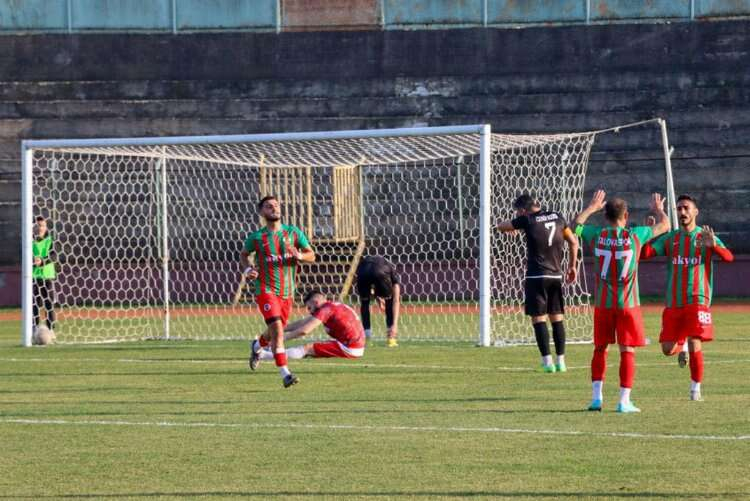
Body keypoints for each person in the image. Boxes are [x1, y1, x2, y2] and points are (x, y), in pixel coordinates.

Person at [574, 190, 669, 413]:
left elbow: (575, 225)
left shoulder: (596, 235)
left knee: (600, 349)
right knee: (627, 350)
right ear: (625, 216)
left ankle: (596, 399)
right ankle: (624, 401)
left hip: (603, 305)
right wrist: (659, 210)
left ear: (604, 215)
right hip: (628, 304)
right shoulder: (636, 234)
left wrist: (591, 207)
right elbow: (665, 225)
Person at [640, 194, 734, 401]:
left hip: (698, 299)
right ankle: (680, 344)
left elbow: (729, 257)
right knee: (667, 349)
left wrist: (713, 246)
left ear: (695, 212)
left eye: (686, 208)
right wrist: (647, 234)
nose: (682, 212)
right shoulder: (671, 238)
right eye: (679, 208)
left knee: (695, 340)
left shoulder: (705, 236)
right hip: (674, 301)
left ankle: (695, 390)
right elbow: (644, 254)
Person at [497, 194, 580, 372]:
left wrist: (512, 226)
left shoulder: (526, 220)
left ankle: (547, 363)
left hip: (536, 276)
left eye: (517, 211)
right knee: (557, 318)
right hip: (556, 276)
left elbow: (501, 226)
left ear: (522, 210)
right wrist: (572, 266)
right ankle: (561, 361)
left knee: (539, 318)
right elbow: (574, 243)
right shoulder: (558, 216)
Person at [242, 195, 315, 388]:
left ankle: (257, 346)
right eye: (268, 206)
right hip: (265, 289)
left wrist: (300, 256)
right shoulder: (257, 238)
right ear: (261, 212)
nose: (274, 208)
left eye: (276, 205)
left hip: (287, 292)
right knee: (277, 329)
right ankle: (285, 374)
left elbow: (312, 255)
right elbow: (244, 254)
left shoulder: (293, 233)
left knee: (277, 330)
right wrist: (248, 269)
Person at [254, 290, 366, 362]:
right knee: (311, 348)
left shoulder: (326, 310)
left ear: (316, 302)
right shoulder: (331, 306)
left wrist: (280, 339)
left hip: (351, 348)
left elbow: (304, 330)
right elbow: (303, 322)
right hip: (355, 344)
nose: (310, 311)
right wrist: (279, 329)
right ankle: (266, 351)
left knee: (307, 349)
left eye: (309, 307)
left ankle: (262, 356)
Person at [355, 255, 400, 347]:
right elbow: (396, 301)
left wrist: (377, 297)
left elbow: (372, 282)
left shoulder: (383, 265)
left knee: (365, 303)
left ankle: (367, 339)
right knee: (389, 301)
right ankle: (391, 339)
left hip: (363, 271)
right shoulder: (394, 276)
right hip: (380, 270)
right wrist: (395, 325)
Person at [32, 216, 56, 335]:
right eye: (37, 226)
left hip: (47, 275)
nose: (40, 228)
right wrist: (33, 260)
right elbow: (25, 256)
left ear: (46, 227)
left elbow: (54, 256)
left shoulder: (50, 240)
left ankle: (51, 330)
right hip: (34, 275)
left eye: (42, 226)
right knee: (34, 304)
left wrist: (42, 261)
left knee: (49, 304)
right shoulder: (29, 241)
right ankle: (34, 329)